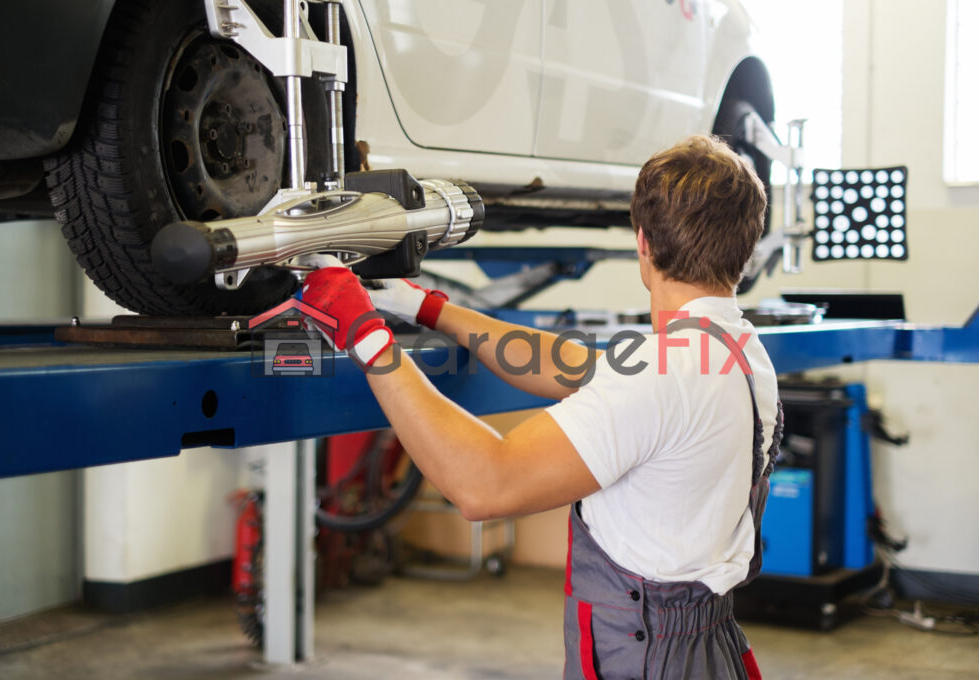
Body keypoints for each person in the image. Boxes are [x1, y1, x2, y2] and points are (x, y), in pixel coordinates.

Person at [301, 134, 782, 679]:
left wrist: (368, 338)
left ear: (642, 243)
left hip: (647, 658)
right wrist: (427, 308)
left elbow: (485, 484)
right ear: (744, 247)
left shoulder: (662, 375)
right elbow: (573, 365)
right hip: (706, 647)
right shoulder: (735, 347)